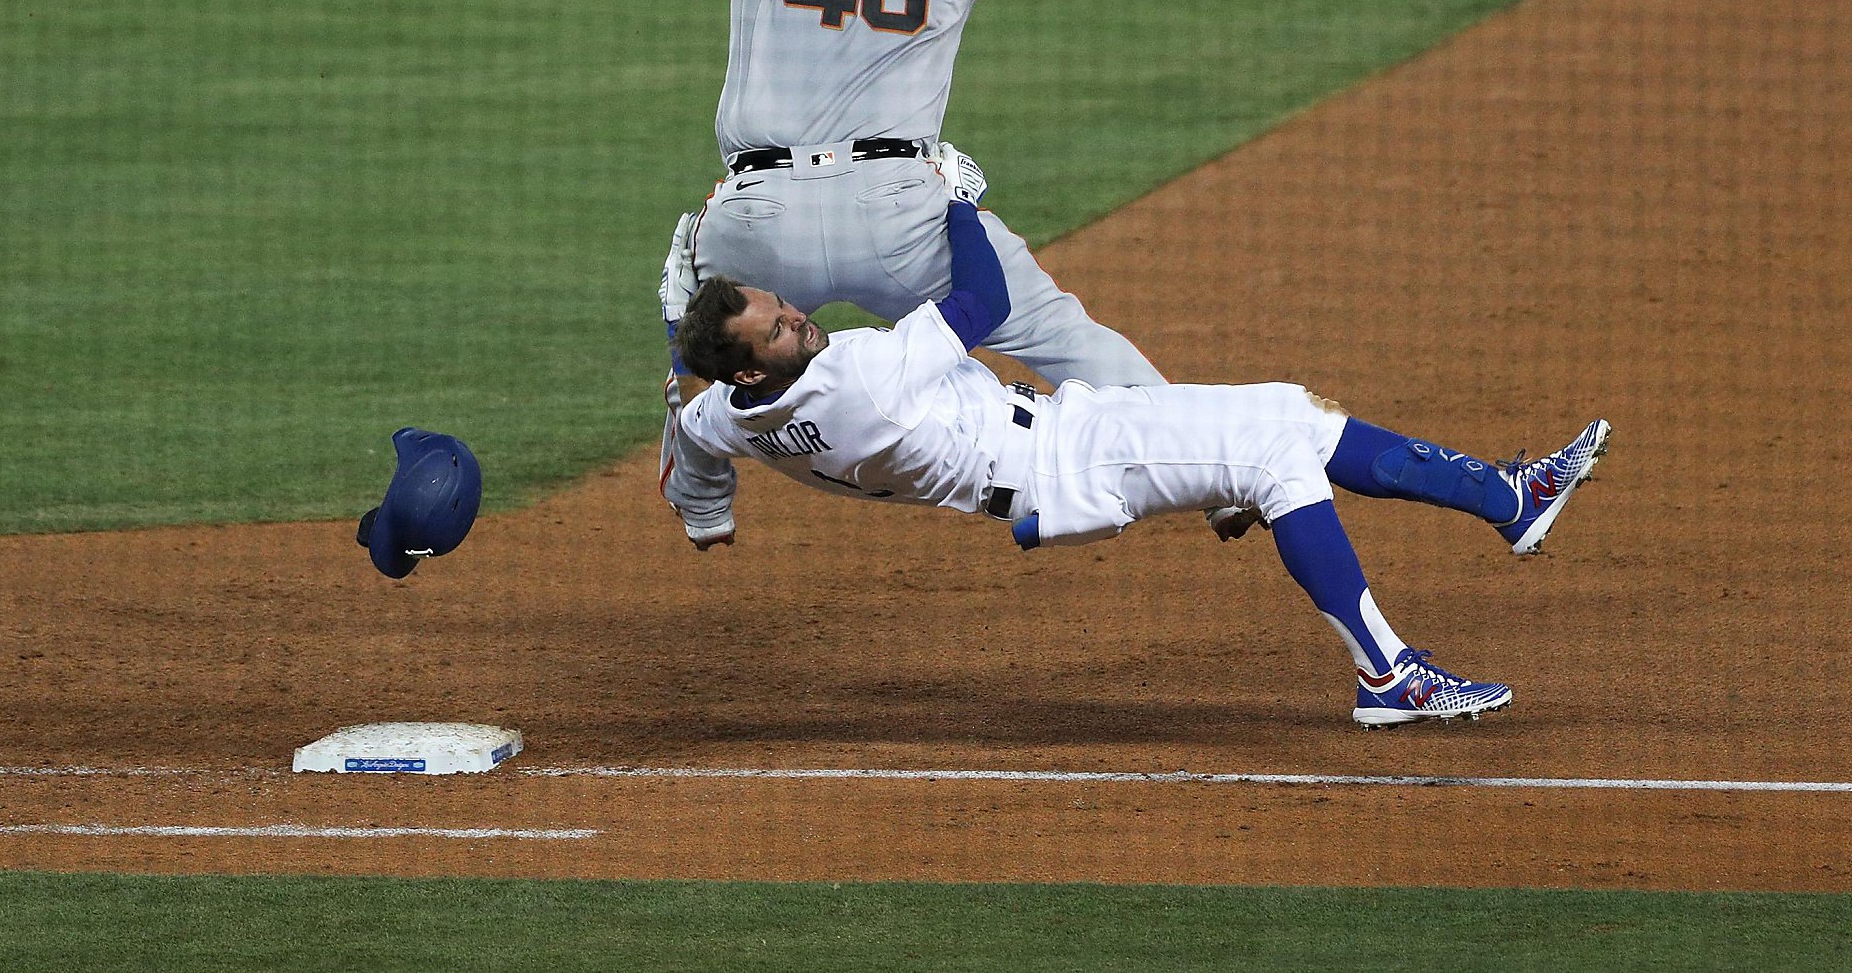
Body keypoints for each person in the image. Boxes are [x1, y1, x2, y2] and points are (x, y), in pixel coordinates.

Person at [449, 0, 1257, 542]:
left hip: (761, 219)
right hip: (900, 211)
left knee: (700, 318)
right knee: (1059, 333)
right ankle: (1219, 476)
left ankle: (702, 505)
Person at [662, 180, 1612, 728]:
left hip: (1059, 449)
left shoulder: (732, 417)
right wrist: (959, 200)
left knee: (1288, 415)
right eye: (778, 326)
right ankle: (1389, 674)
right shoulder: (860, 377)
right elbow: (984, 303)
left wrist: (709, 517)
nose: (798, 318)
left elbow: (692, 443)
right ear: (752, 367)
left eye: (781, 305)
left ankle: (1508, 499)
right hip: (1069, 467)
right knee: (1276, 460)